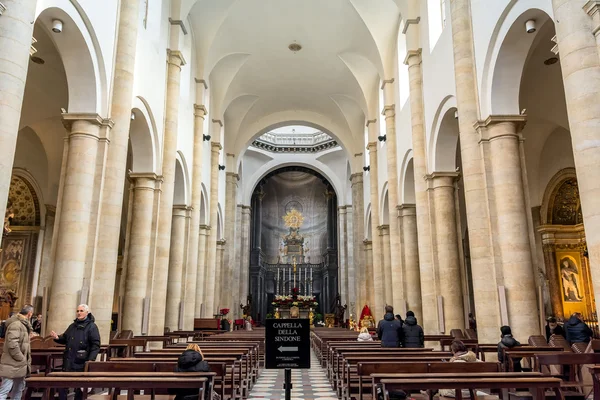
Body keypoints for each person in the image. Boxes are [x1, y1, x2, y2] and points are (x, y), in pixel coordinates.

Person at [50, 304, 101, 400]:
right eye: (77, 311)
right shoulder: (72, 326)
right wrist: (57, 338)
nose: (79, 313)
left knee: (79, 388)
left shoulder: (92, 327)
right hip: (69, 360)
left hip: (81, 361)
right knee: (63, 385)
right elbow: (65, 338)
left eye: (81, 311)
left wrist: (91, 360)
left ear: (87, 313)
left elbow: (95, 345)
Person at [0, 305, 33, 400]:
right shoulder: (16, 325)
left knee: (18, 390)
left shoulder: (23, 325)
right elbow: (12, 345)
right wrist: (22, 359)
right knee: (5, 391)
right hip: (12, 364)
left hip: (20, 365)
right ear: (30, 314)